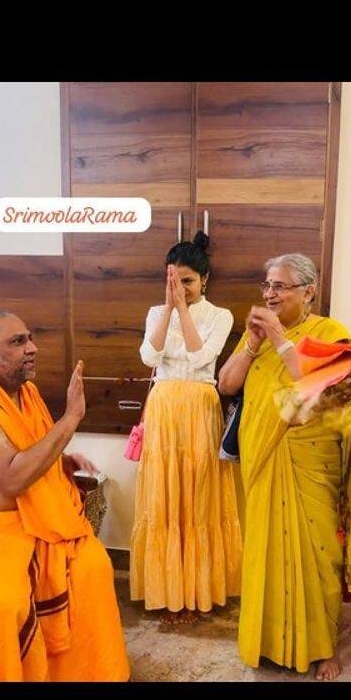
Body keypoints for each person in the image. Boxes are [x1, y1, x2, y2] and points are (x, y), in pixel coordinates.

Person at [0, 311, 130, 682]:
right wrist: (71, 419)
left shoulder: (24, 394)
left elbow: (26, 448)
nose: (32, 348)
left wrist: (60, 461)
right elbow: (14, 478)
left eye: (30, 338)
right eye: (17, 342)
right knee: (6, 604)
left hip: (25, 519)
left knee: (93, 568)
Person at [218, 254, 351, 680]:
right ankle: (264, 639)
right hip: (262, 461)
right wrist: (253, 343)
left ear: (309, 292)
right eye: (267, 285)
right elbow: (226, 384)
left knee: (317, 558)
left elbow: (318, 385)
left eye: (280, 286)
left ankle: (322, 648)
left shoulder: (329, 332)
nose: (270, 294)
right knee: (265, 554)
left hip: (312, 463)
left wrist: (278, 337)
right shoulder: (257, 336)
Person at [130, 231, 242, 624]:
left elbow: (199, 357)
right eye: (175, 281)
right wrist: (168, 308)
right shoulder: (153, 312)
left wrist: (184, 310)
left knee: (199, 494)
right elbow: (149, 357)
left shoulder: (220, 315)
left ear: (205, 279)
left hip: (199, 406)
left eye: (189, 281)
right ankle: (166, 592)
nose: (183, 289)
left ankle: (200, 591)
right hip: (162, 407)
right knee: (164, 493)